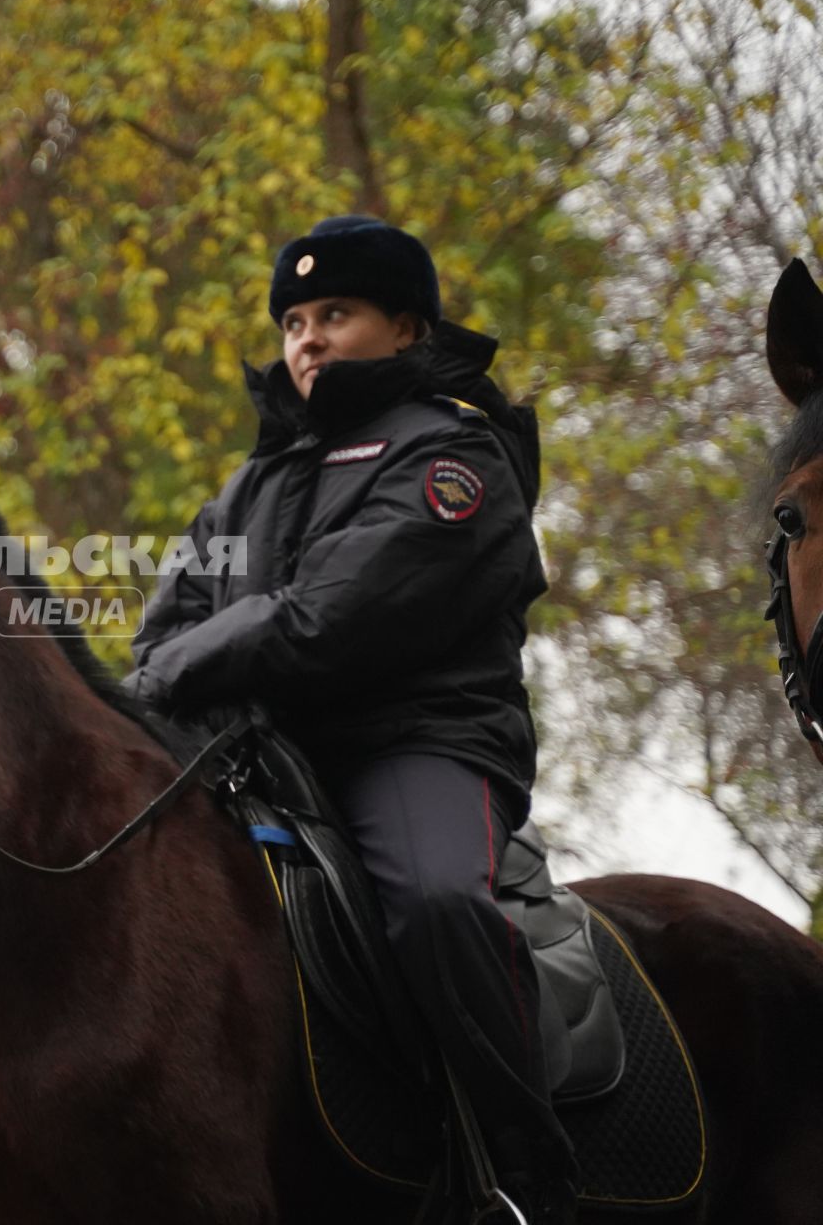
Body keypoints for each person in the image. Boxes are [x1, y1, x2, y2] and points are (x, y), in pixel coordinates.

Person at [124, 216, 578, 1224]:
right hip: (263, 762)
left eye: (336, 313)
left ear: (408, 328)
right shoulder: (250, 483)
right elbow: (157, 637)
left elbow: (326, 622)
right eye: (293, 319)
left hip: (418, 746)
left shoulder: (458, 457)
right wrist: (168, 675)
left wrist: (180, 666)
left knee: (434, 902)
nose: (307, 339)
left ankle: (522, 1172)